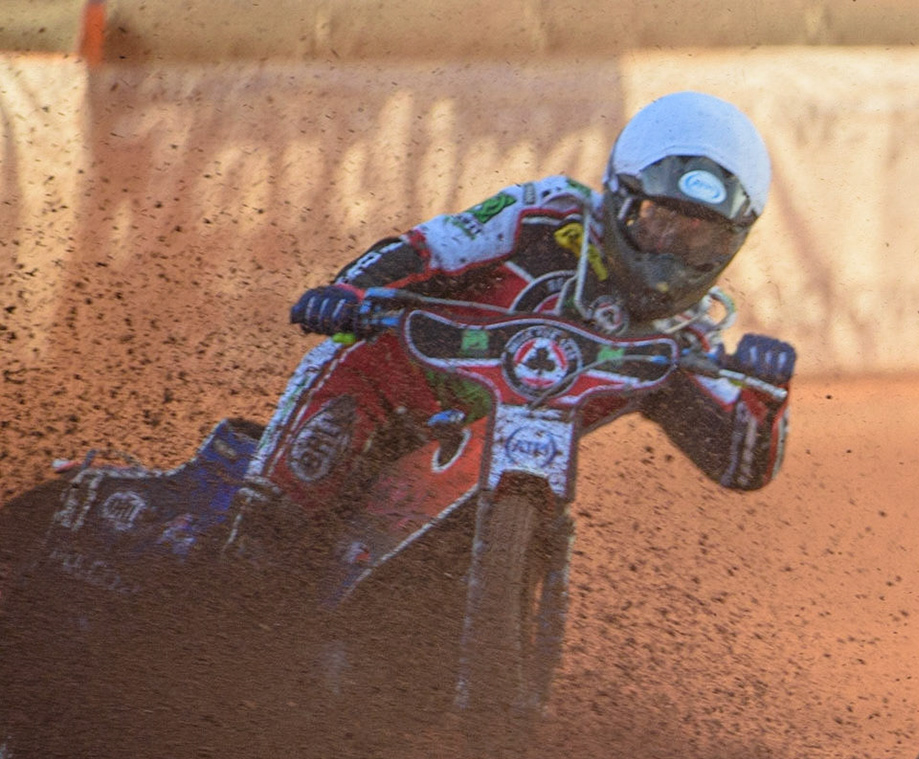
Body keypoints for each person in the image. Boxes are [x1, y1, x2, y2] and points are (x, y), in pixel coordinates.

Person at [239, 91, 795, 550]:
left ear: (733, 243)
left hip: (498, 467)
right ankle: (235, 562)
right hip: (389, 385)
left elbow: (739, 466)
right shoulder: (545, 212)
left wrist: (764, 398)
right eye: (659, 221)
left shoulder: (683, 335)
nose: (671, 251)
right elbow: (431, 247)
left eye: (701, 237)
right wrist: (347, 291)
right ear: (620, 197)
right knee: (271, 525)